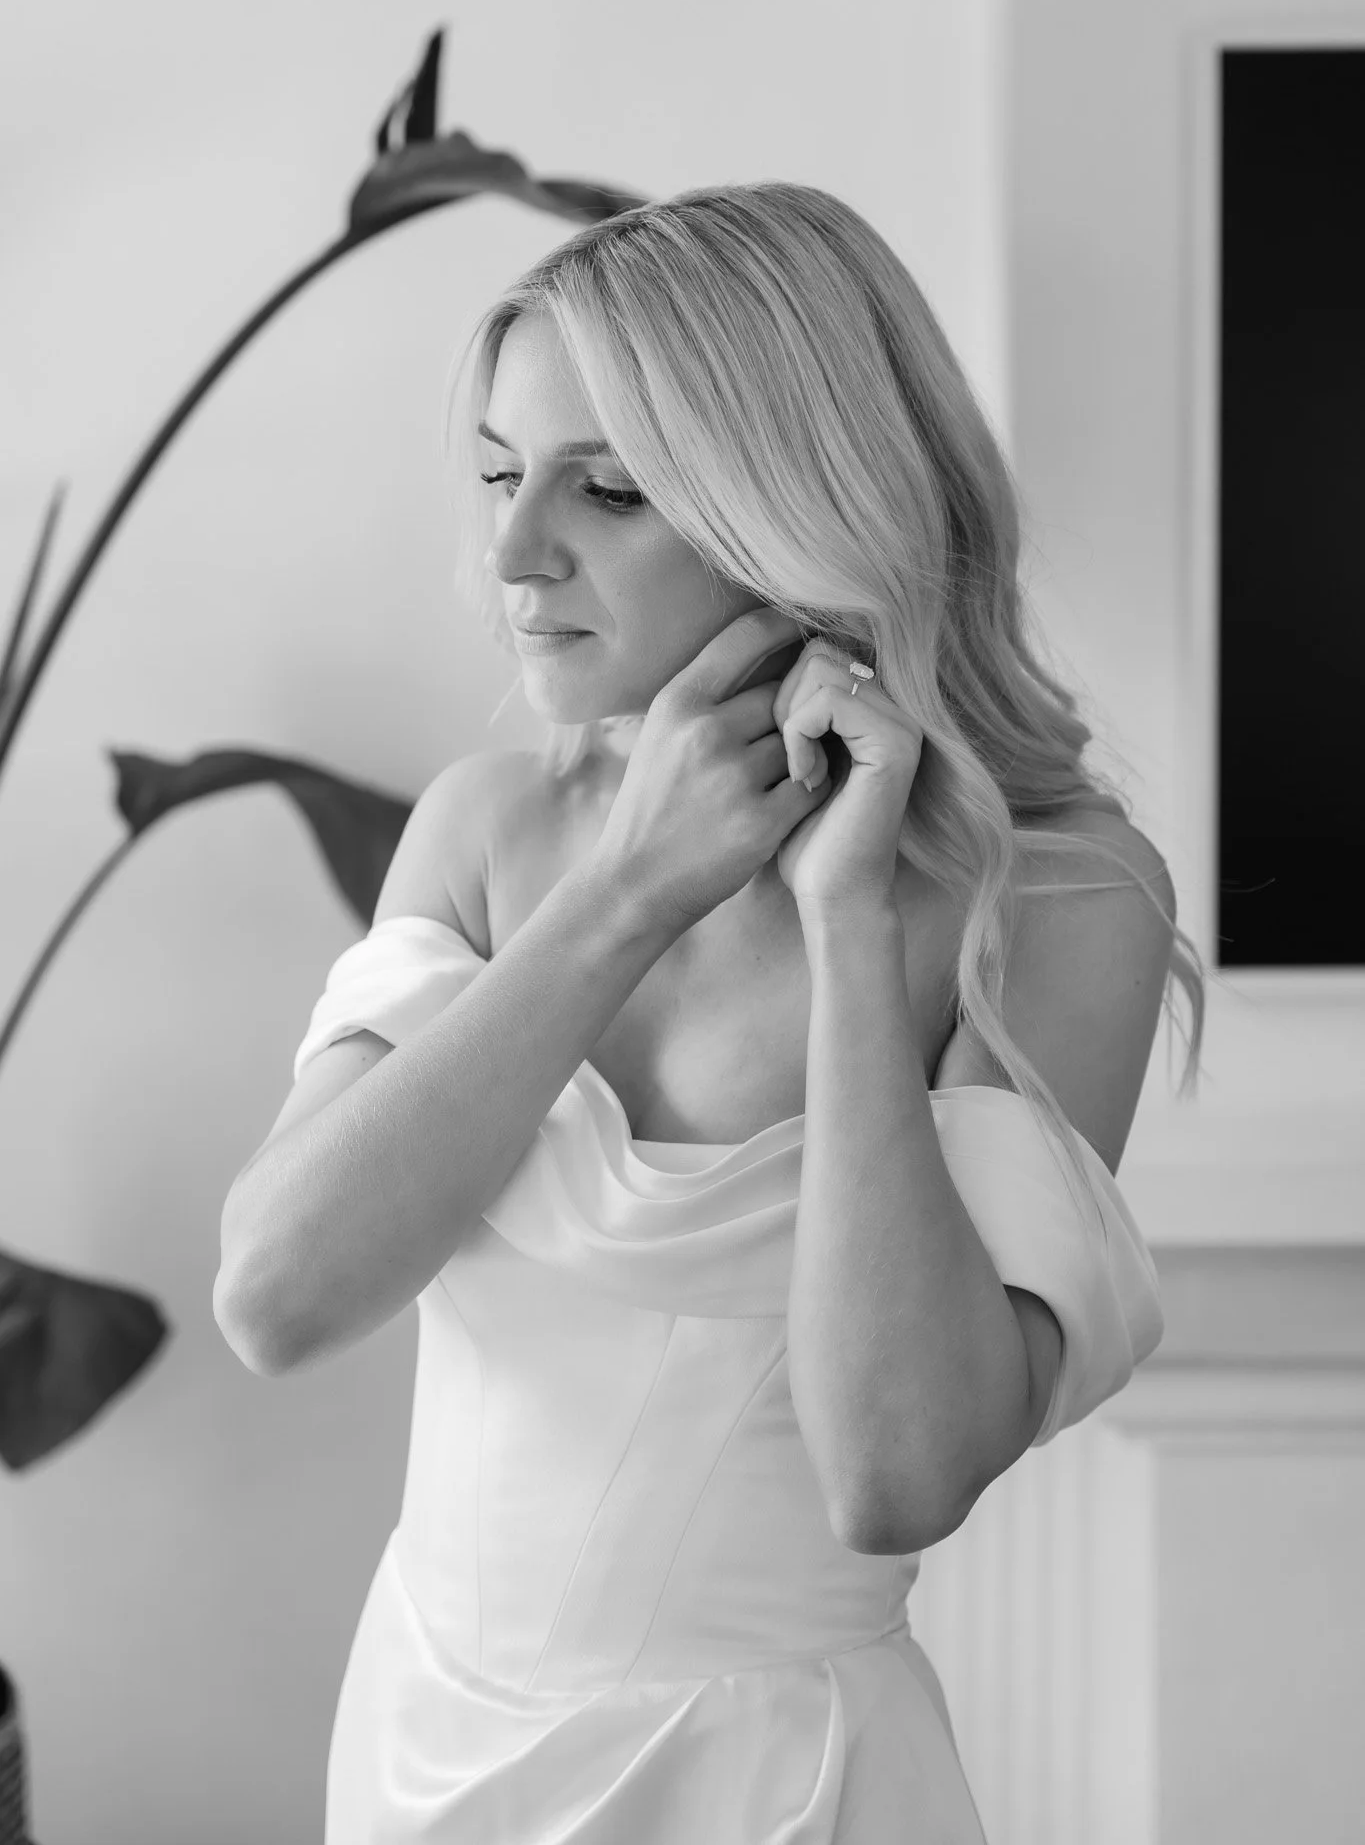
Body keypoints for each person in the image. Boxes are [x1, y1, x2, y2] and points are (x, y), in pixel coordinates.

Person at [214, 183, 1206, 1841]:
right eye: (501, 474)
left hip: (772, 1786)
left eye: (606, 490)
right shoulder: (487, 829)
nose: (514, 555)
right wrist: (627, 892)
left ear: (802, 503)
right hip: (420, 1754)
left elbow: (897, 1471)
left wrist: (846, 920)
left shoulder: (1059, 900)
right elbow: (277, 1295)